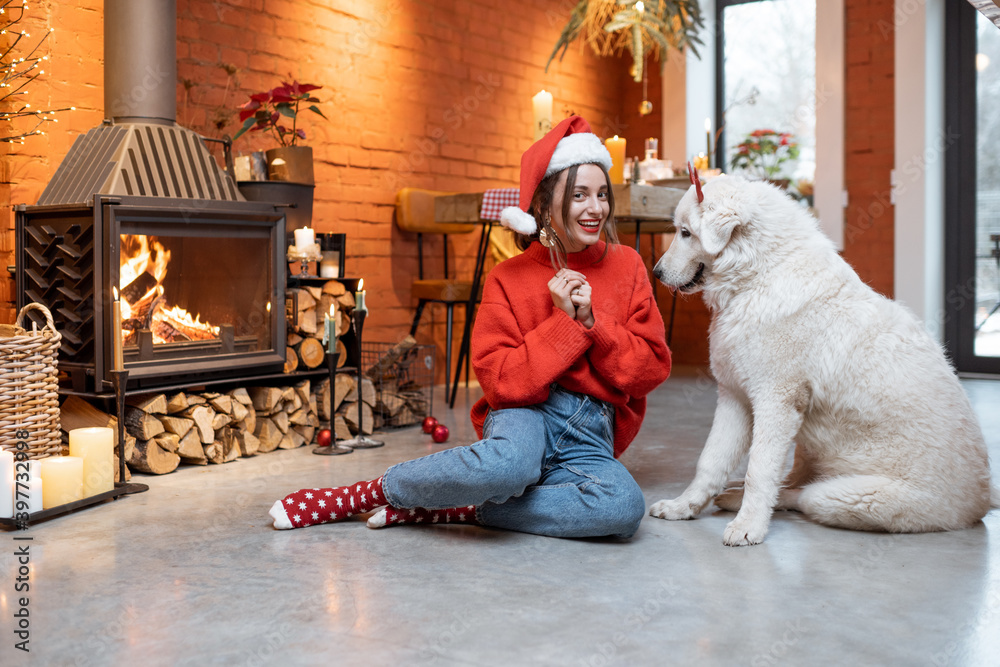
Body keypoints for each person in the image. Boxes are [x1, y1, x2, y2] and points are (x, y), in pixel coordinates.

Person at [269, 115, 671, 538]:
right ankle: (367, 493)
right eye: (579, 195)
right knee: (510, 464)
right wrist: (565, 326)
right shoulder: (507, 277)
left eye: (602, 194)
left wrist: (593, 321)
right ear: (543, 203)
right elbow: (502, 385)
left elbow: (650, 371)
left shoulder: (626, 265)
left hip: (591, 431)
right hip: (525, 415)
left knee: (622, 507)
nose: (596, 208)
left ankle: (458, 508)